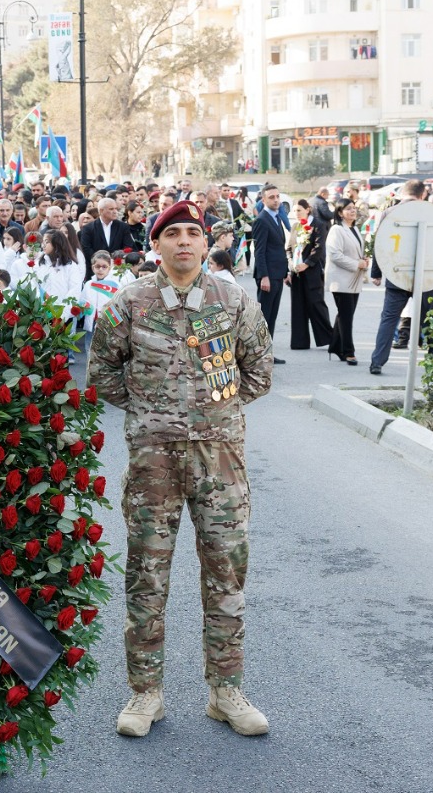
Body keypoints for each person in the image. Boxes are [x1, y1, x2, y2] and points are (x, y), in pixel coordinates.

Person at [88, 200, 276, 740]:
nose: (185, 242)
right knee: (147, 573)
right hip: (154, 461)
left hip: (220, 460)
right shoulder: (129, 303)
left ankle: (226, 691)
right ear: (157, 243)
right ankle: (145, 693)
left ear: (204, 241)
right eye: (174, 233)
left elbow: (258, 372)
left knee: (226, 572)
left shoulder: (232, 299)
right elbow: (103, 373)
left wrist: (211, 413)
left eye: (194, 232)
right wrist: (154, 411)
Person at [367, 180, 433, 375]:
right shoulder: (428, 211)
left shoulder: (389, 212)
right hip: (424, 275)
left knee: (389, 320)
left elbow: (379, 244)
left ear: (402, 193)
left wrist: (376, 273)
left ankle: (377, 362)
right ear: (422, 194)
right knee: (430, 318)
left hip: (397, 274)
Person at [324, 198, 369, 365]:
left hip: (354, 279)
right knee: (346, 316)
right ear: (340, 212)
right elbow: (335, 254)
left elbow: (355, 251)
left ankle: (335, 346)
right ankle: (348, 351)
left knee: (344, 315)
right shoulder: (336, 230)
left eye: (354, 208)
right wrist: (357, 264)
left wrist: (363, 260)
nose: (352, 211)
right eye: (348, 208)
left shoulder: (355, 228)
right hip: (341, 279)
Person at [249, 184, 289, 365]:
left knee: (272, 316)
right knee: (264, 317)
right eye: (272, 197)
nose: (276, 200)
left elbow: (279, 248)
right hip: (267, 277)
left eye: (277, 196)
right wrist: (264, 276)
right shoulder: (262, 220)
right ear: (263, 200)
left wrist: (285, 271)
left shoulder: (276, 218)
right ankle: (258, 355)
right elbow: (260, 251)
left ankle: (267, 353)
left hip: (278, 274)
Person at [287, 198, 333, 353]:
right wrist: (291, 264)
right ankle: (300, 341)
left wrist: (306, 264)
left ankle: (329, 338)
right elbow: (289, 248)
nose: (296, 214)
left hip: (312, 271)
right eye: (294, 211)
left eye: (299, 210)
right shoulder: (295, 226)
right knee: (298, 306)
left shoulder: (318, 225)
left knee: (316, 304)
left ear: (308, 209)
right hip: (296, 273)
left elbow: (319, 248)